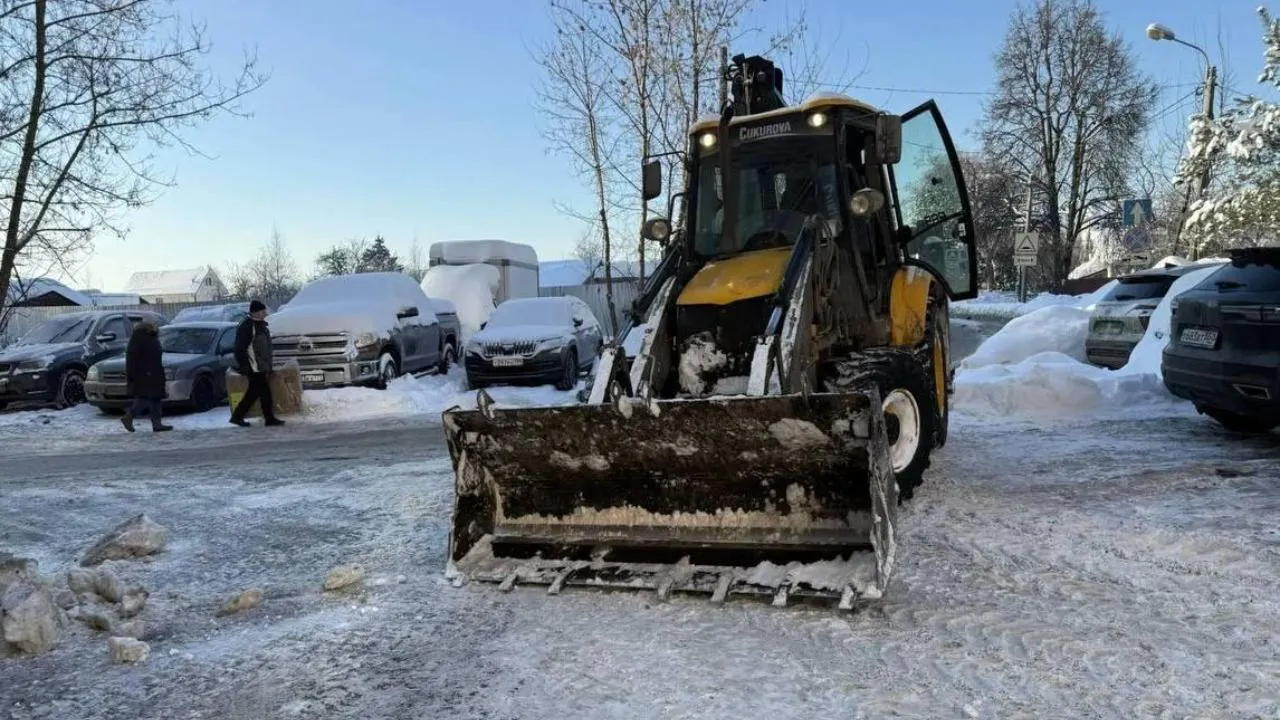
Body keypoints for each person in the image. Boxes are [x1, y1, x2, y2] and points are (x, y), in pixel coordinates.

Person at [229, 300, 284, 427]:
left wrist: (268, 365)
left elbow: (264, 347)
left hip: (260, 365)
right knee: (263, 392)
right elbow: (239, 349)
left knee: (254, 392)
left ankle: (238, 416)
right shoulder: (248, 326)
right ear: (256, 312)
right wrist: (245, 366)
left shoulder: (260, 325)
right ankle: (268, 419)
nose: (265, 313)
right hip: (253, 366)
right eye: (262, 311)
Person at [121, 319, 172, 433]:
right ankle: (129, 416)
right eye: (153, 325)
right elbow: (133, 359)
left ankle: (157, 424)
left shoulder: (149, 338)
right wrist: (135, 374)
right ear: (147, 328)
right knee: (145, 398)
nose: (156, 327)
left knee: (155, 398)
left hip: (153, 371)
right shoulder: (140, 339)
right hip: (146, 373)